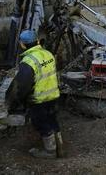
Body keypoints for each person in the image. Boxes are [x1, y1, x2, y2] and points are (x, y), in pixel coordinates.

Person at [6, 30, 63, 159]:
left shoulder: (28, 62)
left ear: (22, 45)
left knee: (42, 124)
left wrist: (17, 100)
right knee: (52, 120)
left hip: (39, 99)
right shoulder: (48, 54)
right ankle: (60, 147)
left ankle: (50, 152)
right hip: (53, 96)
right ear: (37, 41)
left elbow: (23, 86)